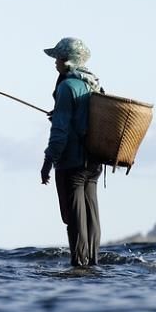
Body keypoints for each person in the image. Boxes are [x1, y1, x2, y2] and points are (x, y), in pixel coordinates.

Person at [40, 37, 103, 267]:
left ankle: (79, 265)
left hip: (72, 162)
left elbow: (60, 131)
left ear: (67, 61)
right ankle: (93, 264)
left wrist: (48, 161)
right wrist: (58, 112)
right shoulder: (93, 84)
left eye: (57, 58)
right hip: (94, 162)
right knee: (91, 215)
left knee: (74, 218)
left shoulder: (67, 87)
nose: (55, 62)